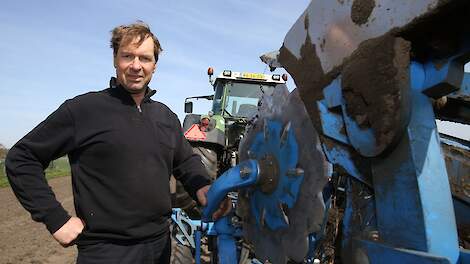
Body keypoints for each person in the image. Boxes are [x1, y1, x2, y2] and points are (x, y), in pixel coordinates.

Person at [5, 21, 229, 263]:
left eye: (144, 58)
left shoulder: (165, 117)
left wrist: (202, 186)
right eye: (127, 56)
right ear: (115, 60)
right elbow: (22, 158)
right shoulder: (84, 110)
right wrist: (55, 218)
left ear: (154, 65)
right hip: (106, 251)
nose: (136, 66)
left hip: (159, 246)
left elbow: (185, 160)